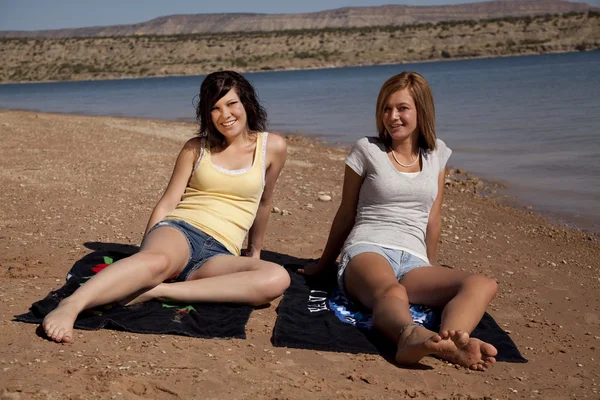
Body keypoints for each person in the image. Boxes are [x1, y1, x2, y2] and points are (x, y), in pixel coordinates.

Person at [43, 71, 290, 343]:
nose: (225, 114)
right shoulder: (196, 148)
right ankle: (72, 305)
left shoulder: (273, 147)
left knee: (276, 278)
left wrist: (254, 252)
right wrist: (146, 250)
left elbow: (264, 202)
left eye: (231, 104)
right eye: (215, 108)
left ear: (246, 104)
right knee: (156, 261)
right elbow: (169, 201)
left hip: (220, 252)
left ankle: (158, 290)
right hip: (181, 230)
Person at [300, 71, 498, 370]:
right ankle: (408, 337)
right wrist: (324, 264)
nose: (393, 117)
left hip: (414, 258)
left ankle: (453, 341)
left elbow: (433, 217)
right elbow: (345, 212)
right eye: (386, 108)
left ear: (422, 111)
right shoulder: (367, 150)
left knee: (482, 284)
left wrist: (429, 264)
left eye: (402, 108)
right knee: (393, 292)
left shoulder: (437, 154)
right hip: (368, 248)